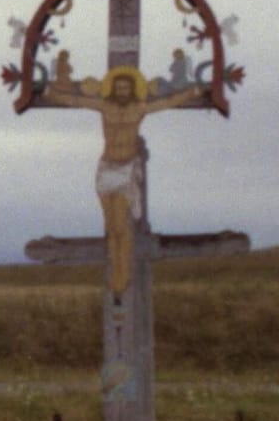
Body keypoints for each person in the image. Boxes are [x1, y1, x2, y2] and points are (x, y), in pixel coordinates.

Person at [45, 66, 204, 297]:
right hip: (106, 168)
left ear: (131, 90)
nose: (121, 91)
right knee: (111, 227)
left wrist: (190, 93)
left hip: (125, 169)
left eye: (125, 87)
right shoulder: (104, 106)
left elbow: (166, 103)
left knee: (121, 223)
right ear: (113, 89)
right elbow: (77, 101)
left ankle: (123, 271)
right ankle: (115, 269)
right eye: (118, 87)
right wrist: (54, 95)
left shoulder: (139, 108)